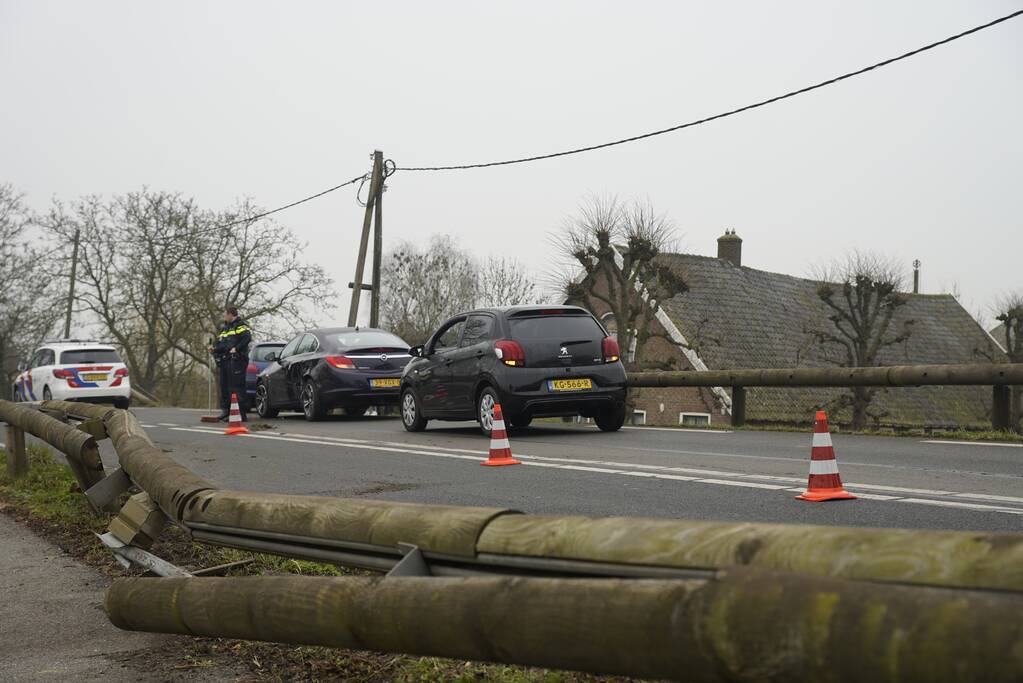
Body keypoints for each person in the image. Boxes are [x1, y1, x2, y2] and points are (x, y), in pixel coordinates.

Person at [210, 306, 252, 421]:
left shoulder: (240, 325)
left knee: (236, 387)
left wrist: (236, 349)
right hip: (225, 361)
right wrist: (215, 349)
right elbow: (222, 344)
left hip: (237, 360)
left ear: (230, 315)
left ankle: (240, 413)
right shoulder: (225, 328)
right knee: (224, 386)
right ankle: (227, 411)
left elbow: (247, 338)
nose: (224, 317)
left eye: (225, 315)